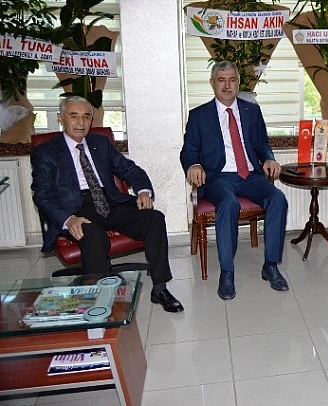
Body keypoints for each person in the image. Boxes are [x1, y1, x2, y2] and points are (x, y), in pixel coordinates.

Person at [31, 96, 183, 313]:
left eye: (86, 117)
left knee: (154, 218)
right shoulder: (46, 152)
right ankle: (98, 300)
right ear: (61, 119)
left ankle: (160, 288)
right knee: (94, 236)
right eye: (74, 116)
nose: (81, 122)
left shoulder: (100, 143)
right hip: (76, 209)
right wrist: (68, 219)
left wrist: (143, 191)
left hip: (110, 202)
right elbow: (42, 195)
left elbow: (130, 169)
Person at [180, 61, 288, 300]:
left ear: (238, 83)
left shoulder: (252, 111)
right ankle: (227, 273)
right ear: (212, 83)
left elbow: (262, 144)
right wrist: (193, 165)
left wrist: (269, 159)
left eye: (232, 80)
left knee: (278, 199)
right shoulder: (199, 116)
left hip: (250, 175)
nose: (227, 85)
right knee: (228, 204)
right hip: (218, 177)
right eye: (221, 80)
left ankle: (270, 265)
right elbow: (188, 151)